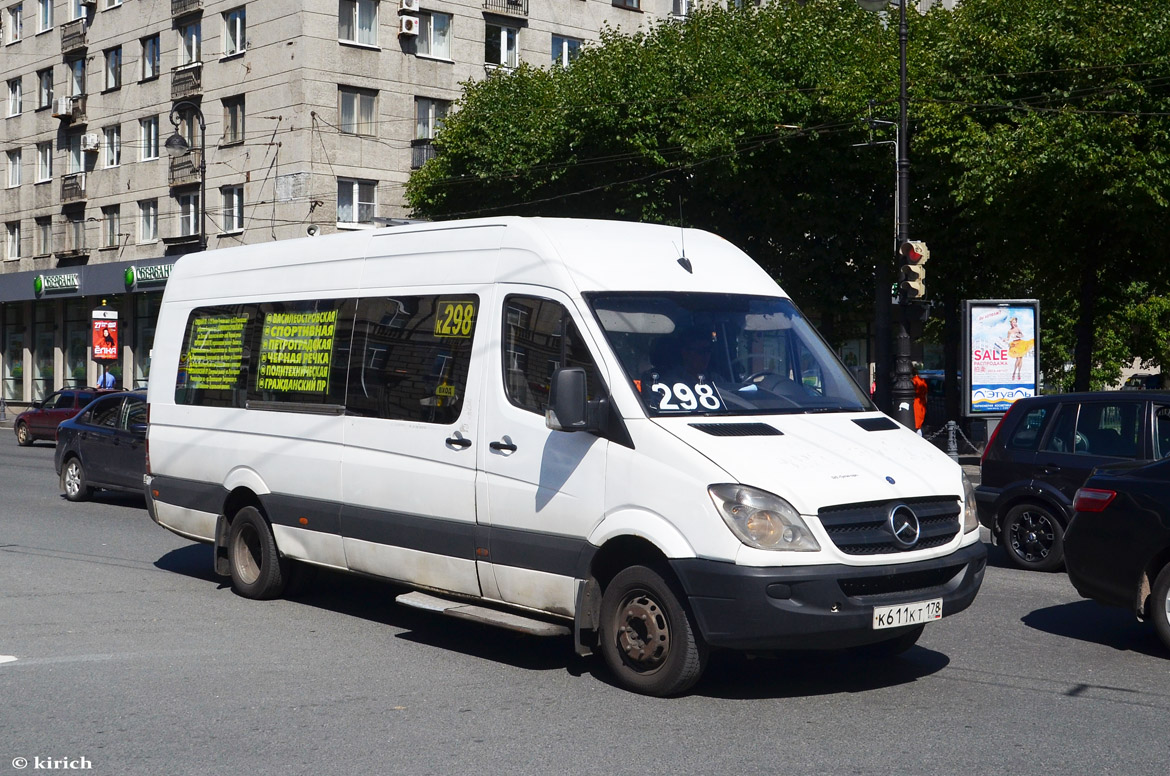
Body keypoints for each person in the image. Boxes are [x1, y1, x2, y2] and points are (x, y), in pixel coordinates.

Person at [912, 364, 928, 436]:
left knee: (915, 422)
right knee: (920, 421)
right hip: (922, 402)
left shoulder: (913, 381)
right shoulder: (922, 381)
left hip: (916, 402)